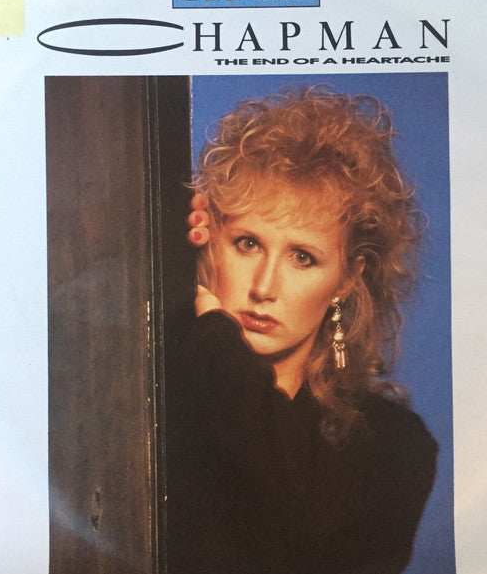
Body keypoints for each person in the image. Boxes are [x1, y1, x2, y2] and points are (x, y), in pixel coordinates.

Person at [165, 88, 438, 574]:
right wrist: (171, 269)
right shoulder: (153, 405)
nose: (264, 287)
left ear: (346, 279)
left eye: (303, 257)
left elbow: (301, 504)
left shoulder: (394, 447)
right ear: (210, 244)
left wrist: (214, 339)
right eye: (247, 244)